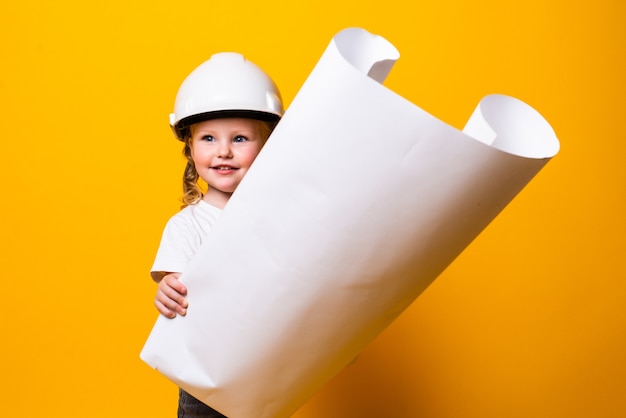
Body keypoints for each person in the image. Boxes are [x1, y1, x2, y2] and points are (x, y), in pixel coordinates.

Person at [150, 52, 283, 418]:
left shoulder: (280, 220)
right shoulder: (187, 225)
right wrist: (168, 291)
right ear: (190, 149)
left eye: (240, 138)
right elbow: (174, 285)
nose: (223, 150)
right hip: (206, 375)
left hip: (266, 369)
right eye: (209, 138)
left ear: (267, 145)